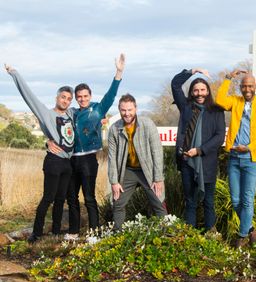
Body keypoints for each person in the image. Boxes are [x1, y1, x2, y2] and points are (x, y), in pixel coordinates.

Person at [49, 53, 125, 240]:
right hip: (71, 160)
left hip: (89, 160)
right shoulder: (72, 113)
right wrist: (48, 141)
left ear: (90, 96)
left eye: (85, 96)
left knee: (89, 198)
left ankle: (94, 233)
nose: (82, 99)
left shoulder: (99, 108)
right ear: (76, 99)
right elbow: (55, 123)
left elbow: (111, 94)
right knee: (72, 197)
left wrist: (118, 72)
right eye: (79, 97)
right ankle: (74, 231)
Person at [5, 64, 74, 243]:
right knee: (48, 198)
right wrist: (15, 74)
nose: (65, 101)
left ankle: (56, 232)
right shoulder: (46, 114)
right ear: (57, 97)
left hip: (68, 163)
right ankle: (36, 233)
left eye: (68, 99)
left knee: (61, 199)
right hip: (54, 161)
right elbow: (29, 96)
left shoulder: (71, 114)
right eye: (63, 97)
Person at [215, 69, 256, 247]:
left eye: (250, 86)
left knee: (247, 198)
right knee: (235, 200)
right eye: (244, 86)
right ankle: (251, 230)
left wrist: (249, 147)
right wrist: (228, 78)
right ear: (240, 87)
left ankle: (242, 236)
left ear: (255, 86)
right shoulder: (236, 101)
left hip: (251, 157)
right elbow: (219, 100)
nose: (247, 88)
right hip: (234, 156)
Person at [171, 69, 225, 231]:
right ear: (191, 92)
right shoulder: (186, 107)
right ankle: (190, 240)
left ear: (208, 91)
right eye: (196, 90)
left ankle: (210, 236)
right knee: (190, 202)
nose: (199, 93)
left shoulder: (216, 111)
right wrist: (193, 71)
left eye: (202, 90)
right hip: (187, 162)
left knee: (208, 202)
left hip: (207, 163)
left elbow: (219, 137)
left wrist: (200, 150)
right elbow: (175, 84)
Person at [108, 94, 167, 230]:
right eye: (123, 110)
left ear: (136, 108)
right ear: (119, 109)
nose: (127, 113)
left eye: (130, 110)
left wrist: (158, 178)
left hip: (147, 171)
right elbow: (112, 158)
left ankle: (166, 236)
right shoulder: (114, 129)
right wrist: (114, 182)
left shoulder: (147, 124)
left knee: (158, 202)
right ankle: (118, 237)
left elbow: (157, 152)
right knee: (118, 203)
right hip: (127, 171)